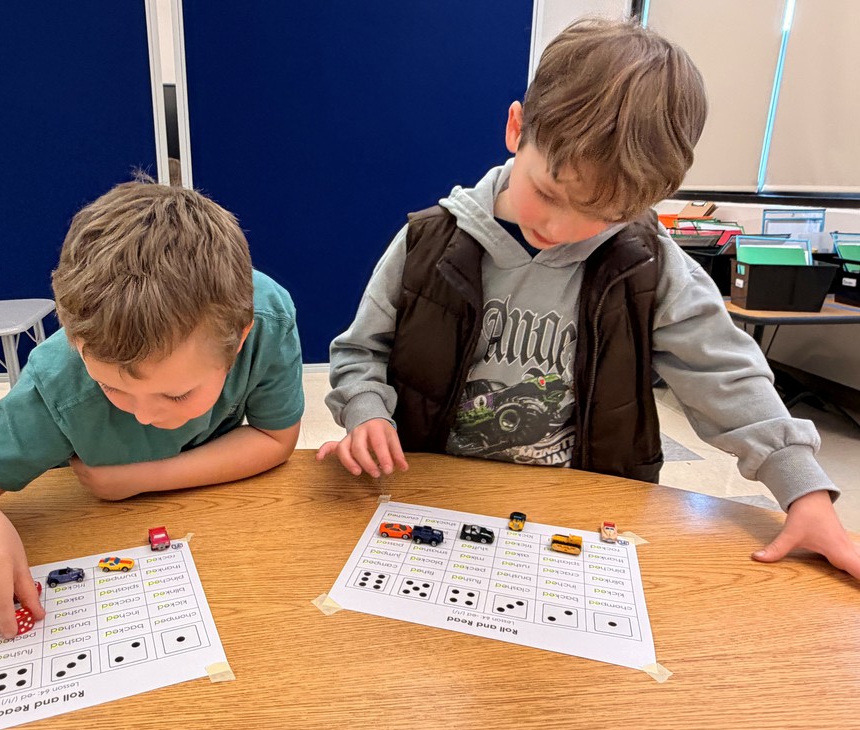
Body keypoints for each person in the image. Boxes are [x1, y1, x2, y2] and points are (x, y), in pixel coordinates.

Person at [319, 18, 859, 581]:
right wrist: (365, 412)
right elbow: (362, 353)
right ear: (516, 128)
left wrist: (805, 492)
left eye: (603, 215)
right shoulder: (427, 242)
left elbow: (729, 378)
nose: (561, 227)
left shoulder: (651, 264)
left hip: (577, 507)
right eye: (548, 193)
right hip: (433, 492)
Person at [0, 181, 305, 637]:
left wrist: (138, 478)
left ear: (238, 341)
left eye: (176, 395)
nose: (142, 415)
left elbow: (276, 438)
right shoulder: (61, 386)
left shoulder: (266, 317)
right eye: (111, 389)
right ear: (77, 344)